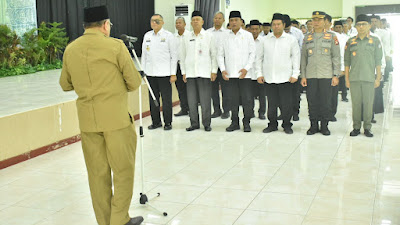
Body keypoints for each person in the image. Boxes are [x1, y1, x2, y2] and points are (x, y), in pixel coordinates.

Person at [59, 5, 143, 225]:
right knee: (123, 171)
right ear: (105, 25)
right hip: (116, 121)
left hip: (88, 122)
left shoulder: (71, 49)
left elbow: (65, 85)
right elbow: (134, 82)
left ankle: (105, 222)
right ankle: (119, 220)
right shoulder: (115, 47)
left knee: (97, 176)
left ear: (85, 26)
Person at [256, 13, 300, 134]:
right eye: (274, 24)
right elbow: (259, 58)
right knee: (272, 104)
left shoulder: (291, 40)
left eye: (278, 24)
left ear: (283, 25)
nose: (276, 26)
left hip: (286, 78)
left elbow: (296, 57)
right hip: (269, 77)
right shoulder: (265, 40)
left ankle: (287, 125)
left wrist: (295, 74)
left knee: (286, 104)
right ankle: (272, 124)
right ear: (271, 26)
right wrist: (259, 73)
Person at [300, 11, 340, 136]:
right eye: (314, 19)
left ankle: (324, 126)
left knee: (325, 102)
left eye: (319, 19)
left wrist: (335, 75)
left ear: (324, 22)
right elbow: (303, 58)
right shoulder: (307, 37)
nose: (316, 22)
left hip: (326, 75)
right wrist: (303, 75)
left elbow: (336, 57)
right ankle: (313, 126)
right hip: (311, 76)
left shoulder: (332, 37)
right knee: (312, 102)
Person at [345, 14, 383, 137]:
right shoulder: (350, 41)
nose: (361, 27)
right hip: (354, 78)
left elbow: (378, 61)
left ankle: (367, 127)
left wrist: (378, 78)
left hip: (369, 78)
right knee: (355, 104)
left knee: (368, 104)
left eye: (364, 24)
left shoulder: (375, 40)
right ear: (356, 26)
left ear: (369, 25)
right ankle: (356, 127)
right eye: (359, 24)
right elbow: (347, 62)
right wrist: (346, 79)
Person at [218, 11, 255, 132]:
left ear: (241, 22)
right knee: (232, 100)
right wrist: (223, 69)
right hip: (230, 75)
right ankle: (234, 122)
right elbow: (220, 55)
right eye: (232, 20)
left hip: (245, 75)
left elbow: (252, 54)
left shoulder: (248, 35)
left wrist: (246, 68)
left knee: (247, 100)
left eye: (236, 20)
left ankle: (247, 122)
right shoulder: (224, 36)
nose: (234, 22)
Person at [180, 11, 217, 132]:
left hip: (205, 73)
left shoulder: (208, 36)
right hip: (190, 73)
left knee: (205, 100)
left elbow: (213, 55)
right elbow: (182, 55)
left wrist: (213, 71)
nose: (195, 21)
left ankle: (206, 123)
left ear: (202, 22)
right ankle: (194, 123)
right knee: (191, 100)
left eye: (198, 19)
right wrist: (183, 72)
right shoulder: (186, 37)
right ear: (190, 23)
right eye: (193, 19)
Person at [141, 14, 178, 131]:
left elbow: (174, 56)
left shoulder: (169, 36)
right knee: (153, 99)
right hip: (151, 74)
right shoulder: (147, 35)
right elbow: (144, 55)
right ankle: (156, 122)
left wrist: (173, 73)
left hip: (165, 74)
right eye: (152, 21)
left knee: (166, 100)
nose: (154, 23)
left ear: (162, 22)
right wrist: (143, 72)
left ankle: (168, 122)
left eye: (157, 21)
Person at [207, 12, 231, 119]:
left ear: (223, 20)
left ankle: (226, 110)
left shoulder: (228, 33)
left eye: (219, 18)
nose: (217, 20)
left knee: (226, 90)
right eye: (215, 18)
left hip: (224, 65)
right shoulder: (207, 33)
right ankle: (217, 110)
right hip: (211, 65)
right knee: (213, 90)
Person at [248, 20, 266, 120]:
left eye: (256, 29)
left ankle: (262, 112)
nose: (254, 31)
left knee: (262, 95)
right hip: (249, 73)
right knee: (249, 95)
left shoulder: (264, 41)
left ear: (260, 29)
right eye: (252, 29)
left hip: (260, 73)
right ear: (249, 29)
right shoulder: (246, 40)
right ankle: (250, 112)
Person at [174, 17, 190, 116]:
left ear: (185, 24)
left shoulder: (189, 35)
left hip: (188, 65)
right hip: (177, 66)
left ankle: (192, 109)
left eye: (180, 22)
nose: (178, 24)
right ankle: (184, 108)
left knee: (189, 88)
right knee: (180, 88)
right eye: (176, 23)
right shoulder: (173, 37)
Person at [333, 20, 350, 102]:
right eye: (336, 27)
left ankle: (344, 96)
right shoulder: (332, 36)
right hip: (335, 62)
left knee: (343, 81)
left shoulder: (346, 37)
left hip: (343, 61)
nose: (338, 29)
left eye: (340, 27)